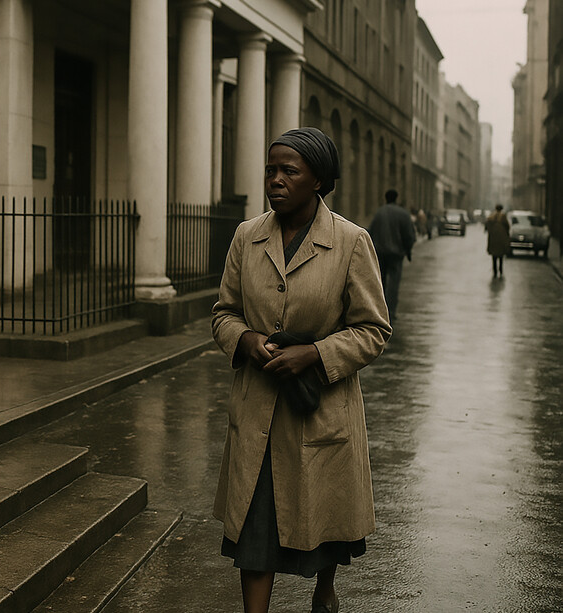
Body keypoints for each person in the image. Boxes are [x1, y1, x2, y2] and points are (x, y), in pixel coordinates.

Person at [211, 127, 392, 613]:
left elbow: (374, 329)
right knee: (255, 528)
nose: (275, 180)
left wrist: (315, 354)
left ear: (318, 180)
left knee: (322, 515)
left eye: (289, 171)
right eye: (271, 169)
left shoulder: (352, 242)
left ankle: (324, 589)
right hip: (256, 413)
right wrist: (246, 340)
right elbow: (223, 312)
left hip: (318, 411)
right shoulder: (246, 237)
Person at [367, 189, 416, 320]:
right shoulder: (403, 214)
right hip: (395, 254)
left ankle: (379, 310)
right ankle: (391, 311)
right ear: (396, 198)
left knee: (380, 283)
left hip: (380, 253)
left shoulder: (379, 212)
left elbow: (370, 232)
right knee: (393, 283)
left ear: (385, 198)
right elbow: (409, 235)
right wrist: (408, 251)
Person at [484, 204, 510, 277]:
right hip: (501, 238)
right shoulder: (503, 217)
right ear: (501, 209)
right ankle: (500, 270)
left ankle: (495, 271)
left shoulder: (491, 216)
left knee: (494, 256)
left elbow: (487, 226)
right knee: (501, 255)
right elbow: (507, 227)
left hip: (493, 238)